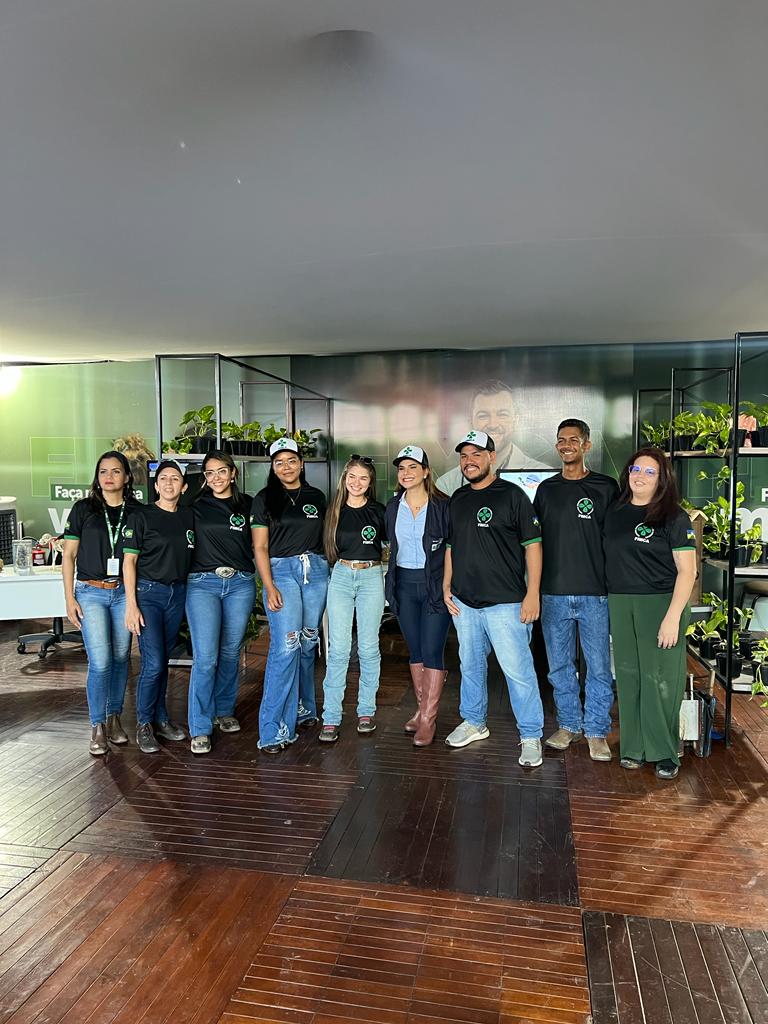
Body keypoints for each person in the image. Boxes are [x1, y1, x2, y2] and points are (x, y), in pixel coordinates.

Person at [443, 431, 545, 766]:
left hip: (507, 603)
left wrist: (532, 594)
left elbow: (533, 547)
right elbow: (451, 547)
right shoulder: (458, 498)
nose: (469, 461)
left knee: (518, 672)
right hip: (465, 603)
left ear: (492, 457)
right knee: (470, 666)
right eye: (464, 456)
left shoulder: (513, 496)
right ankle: (474, 722)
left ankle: (530, 735)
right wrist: (446, 585)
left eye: (477, 454)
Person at [603, 447, 696, 780]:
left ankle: (664, 751)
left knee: (660, 680)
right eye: (635, 469)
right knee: (629, 676)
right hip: (621, 601)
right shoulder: (615, 511)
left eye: (649, 471)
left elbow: (687, 571)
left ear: (662, 479)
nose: (640, 476)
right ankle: (633, 747)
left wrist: (672, 618)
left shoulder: (674, 516)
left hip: (661, 604)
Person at [534, 419, 619, 761]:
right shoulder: (546, 490)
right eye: (561, 440)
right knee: (559, 667)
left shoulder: (605, 487)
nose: (566, 445)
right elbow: (534, 543)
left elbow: (617, 540)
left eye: (573, 439)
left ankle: (597, 731)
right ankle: (569, 725)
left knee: (598, 667)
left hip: (594, 593)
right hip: (553, 593)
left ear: (587, 445)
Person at [251, 437, 329, 753]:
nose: (286, 467)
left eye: (291, 460)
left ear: (301, 463)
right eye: (279, 462)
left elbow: (326, 538)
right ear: (273, 467)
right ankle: (273, 730)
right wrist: (268, 586)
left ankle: (304, 708)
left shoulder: (316, 496)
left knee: (309, 642)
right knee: (286, 646)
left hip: (316, 571)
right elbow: (260, 547)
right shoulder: (264, 499)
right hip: (281, 572)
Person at [62, 450, 140, 756]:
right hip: (90, 592)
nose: (109, 477)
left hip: (123, 593)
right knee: (101, 661)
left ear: (127, 477)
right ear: (97, 477)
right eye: (103, 471)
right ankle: (97, 726)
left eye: (116, 471)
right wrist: (69, 598)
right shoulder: (83, 509)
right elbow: (69, 556)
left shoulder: (137, 511)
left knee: (121, 657)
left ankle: (114, 717)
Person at [185, 450, 255, 754]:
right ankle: (200, 726)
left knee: (229, 652)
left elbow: (261, 544)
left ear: (233, 473)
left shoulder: (248, 505)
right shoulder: (194, 506)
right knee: (206, 657)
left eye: (221, 471)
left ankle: (223, 711)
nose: (216, 478)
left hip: (240, 583)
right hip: (203, 584)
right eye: (210, 473)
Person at [122, 460, 194, 752]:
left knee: (163, 660)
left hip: (177, 595)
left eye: (175, 478)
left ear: (184, 486)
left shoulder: (188, 517)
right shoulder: (142, 516)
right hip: (148, 594)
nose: (168, 483)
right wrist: (131, 605)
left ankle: (161, 718)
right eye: (163, 478)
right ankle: (144, 724)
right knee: (153, 662)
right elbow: (129, 562)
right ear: (155, 485)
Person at [384, 445, 452, 746]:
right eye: (402, 468)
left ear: (426, 472)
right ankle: (422, 709)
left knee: (432, 650)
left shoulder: (442, 505)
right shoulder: (392, 507)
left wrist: (447, 586)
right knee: (415, 651)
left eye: (413, 467)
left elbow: (452, 549)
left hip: (433, 586)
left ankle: (428, 720)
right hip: (403, 586)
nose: (406, 473)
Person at [318, 455, 387, 742]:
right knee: (339, 649)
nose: (356, 483)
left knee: (368, 648)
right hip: (342, 576)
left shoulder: (378, 511)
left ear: (370, 483)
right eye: (352, 477)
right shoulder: (334, 510)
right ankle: (331, 717)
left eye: (363, 478)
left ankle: (366, 712)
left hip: (371, 576)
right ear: (344, 479)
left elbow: (390, 544)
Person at [437, 380, 553, 495]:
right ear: (471, 421)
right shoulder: (446, 485)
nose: (493, 424)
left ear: (516, 420)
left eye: (502, 415)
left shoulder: (545, 478)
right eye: (483, 416)